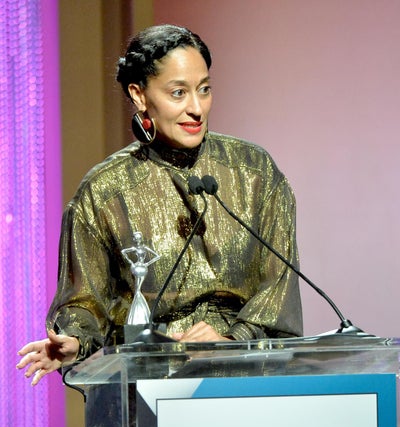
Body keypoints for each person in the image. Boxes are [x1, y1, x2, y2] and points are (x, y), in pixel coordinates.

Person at [17, 24, 303, 385]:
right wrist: (77, 341)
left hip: (246, 381)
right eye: (178, 92)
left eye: (204, 89)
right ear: (139, 94)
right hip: (147, 385)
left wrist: (232, 342)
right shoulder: (105, 191)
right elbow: (84, 302)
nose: (196, 108)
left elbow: (278, 288)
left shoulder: (254, 171)